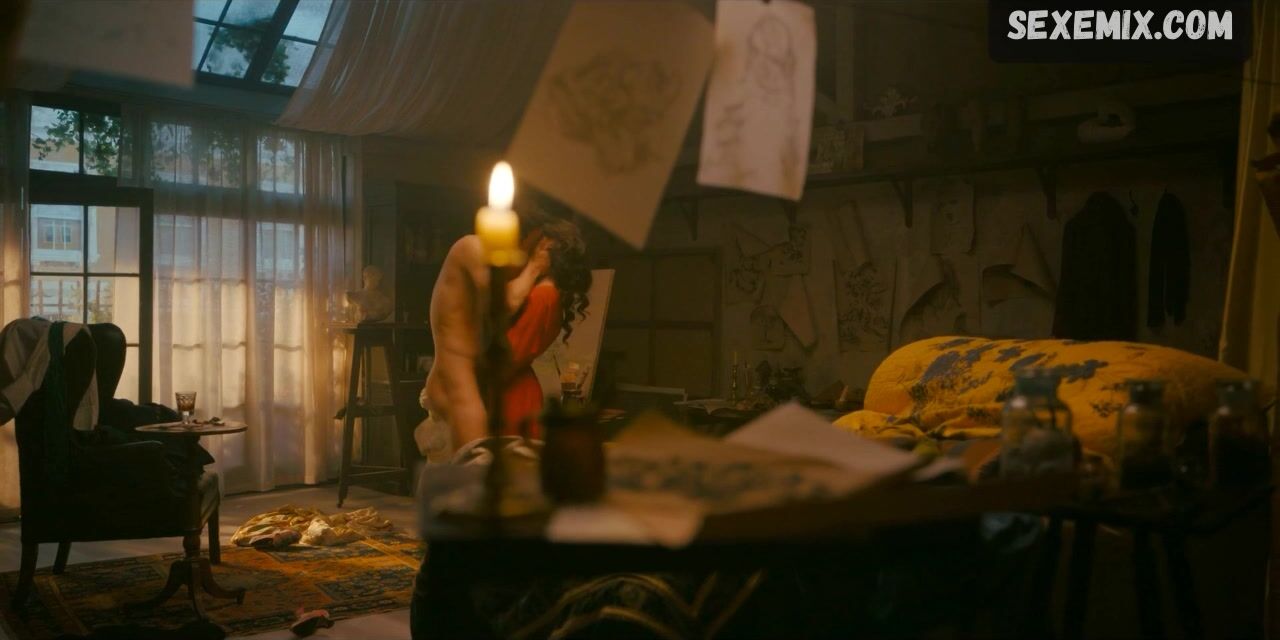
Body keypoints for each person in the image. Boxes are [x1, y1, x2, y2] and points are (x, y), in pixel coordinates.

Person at [417, 208, 590, 459]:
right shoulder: (473, 248)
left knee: (473, 474)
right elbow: (503, 304)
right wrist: (534, 267)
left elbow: (508, 351)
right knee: (471, 473)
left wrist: (533, 268)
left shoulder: (543, 294)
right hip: (468, 384)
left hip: (494, 389)